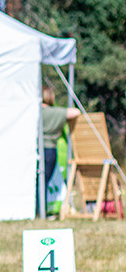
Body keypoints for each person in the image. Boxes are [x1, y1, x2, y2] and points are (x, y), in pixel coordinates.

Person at [40, 84, 81, 212]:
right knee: (44, 182)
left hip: (34, 150)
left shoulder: (33, 111)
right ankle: (39, 210)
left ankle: (37, 209)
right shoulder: (54, 112)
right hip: (50, 150)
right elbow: (75, 112)